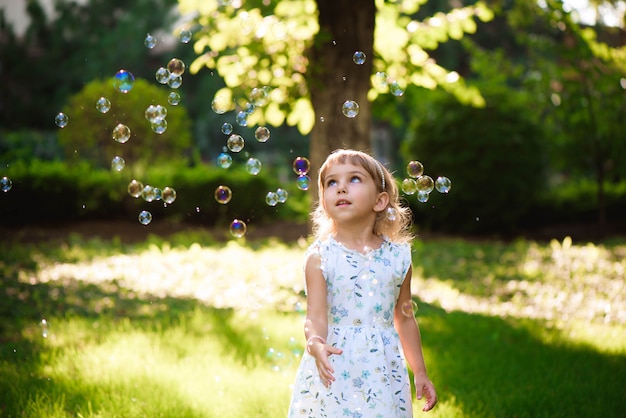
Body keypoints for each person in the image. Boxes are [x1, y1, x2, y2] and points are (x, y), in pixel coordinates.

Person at [288, 149, 437, 417]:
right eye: (331, 182)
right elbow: (316, 316)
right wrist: (315, 342)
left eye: (354, 179)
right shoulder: (320, 257)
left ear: (380, 201)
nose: (341, 188)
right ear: (323, 201)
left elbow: (404, 317)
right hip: (335, 364)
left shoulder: (397, 257)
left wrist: (421, 372)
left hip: (382, 369)